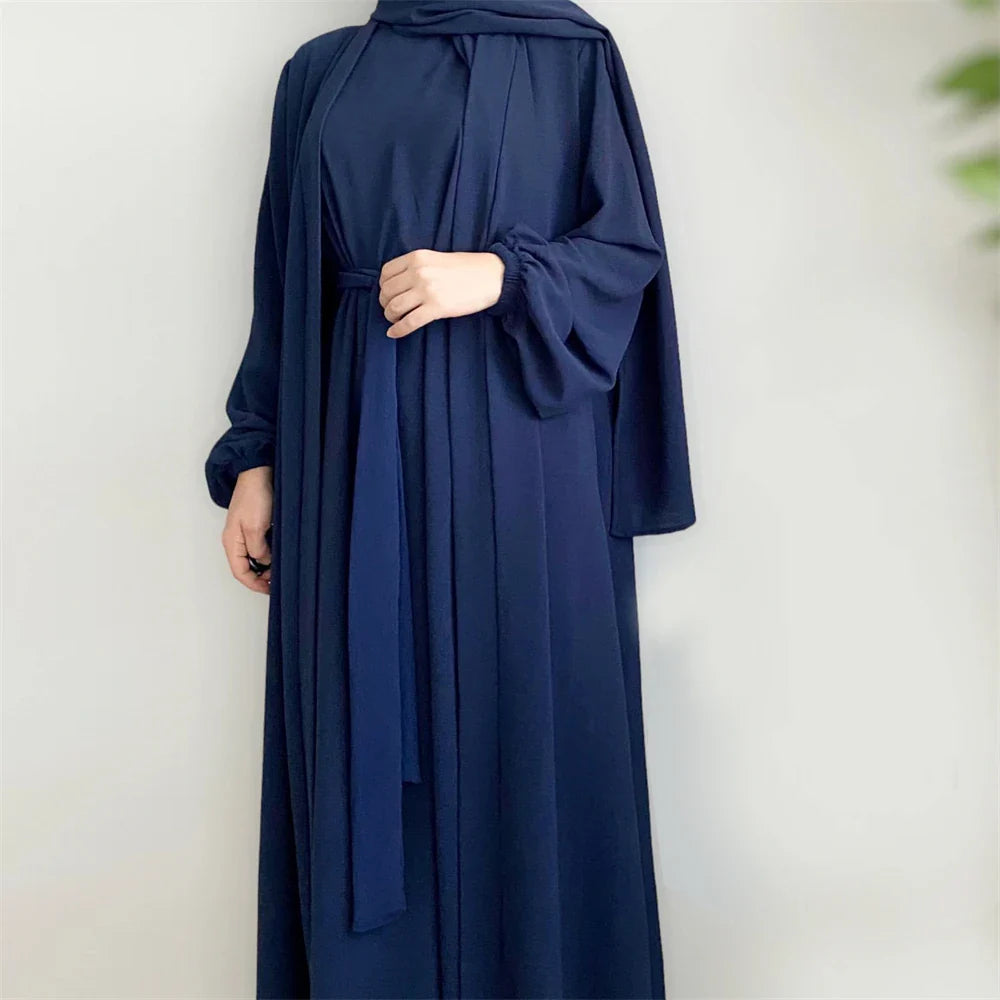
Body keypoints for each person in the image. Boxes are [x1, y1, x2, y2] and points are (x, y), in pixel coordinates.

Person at [205, 1, 696, 996]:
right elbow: (282, 280)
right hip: (345, 461)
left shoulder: (568, 55)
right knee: (357, 739)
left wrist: (502, 274)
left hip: (523, 467)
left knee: (519, 735)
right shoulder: (318, 72)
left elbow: (625, 253)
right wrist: (256, 454)